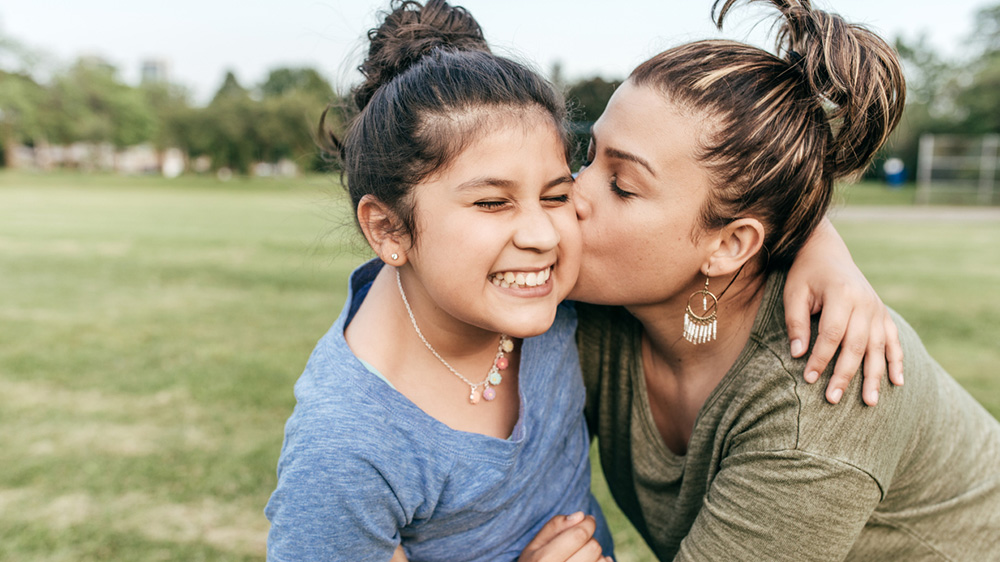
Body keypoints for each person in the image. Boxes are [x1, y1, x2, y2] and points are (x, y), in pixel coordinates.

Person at [266, 1, 906, 560]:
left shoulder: (557, 302)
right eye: (586, 161)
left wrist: (818, 241)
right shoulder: (350, 446)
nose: (555, 224)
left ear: (733, 243)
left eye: (567, 189)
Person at [571, 0, 1000, 560]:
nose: (572, 191)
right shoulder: (599, 305)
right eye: (587, 156)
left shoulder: (824, 395)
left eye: (622, 185)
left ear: (729, 246)